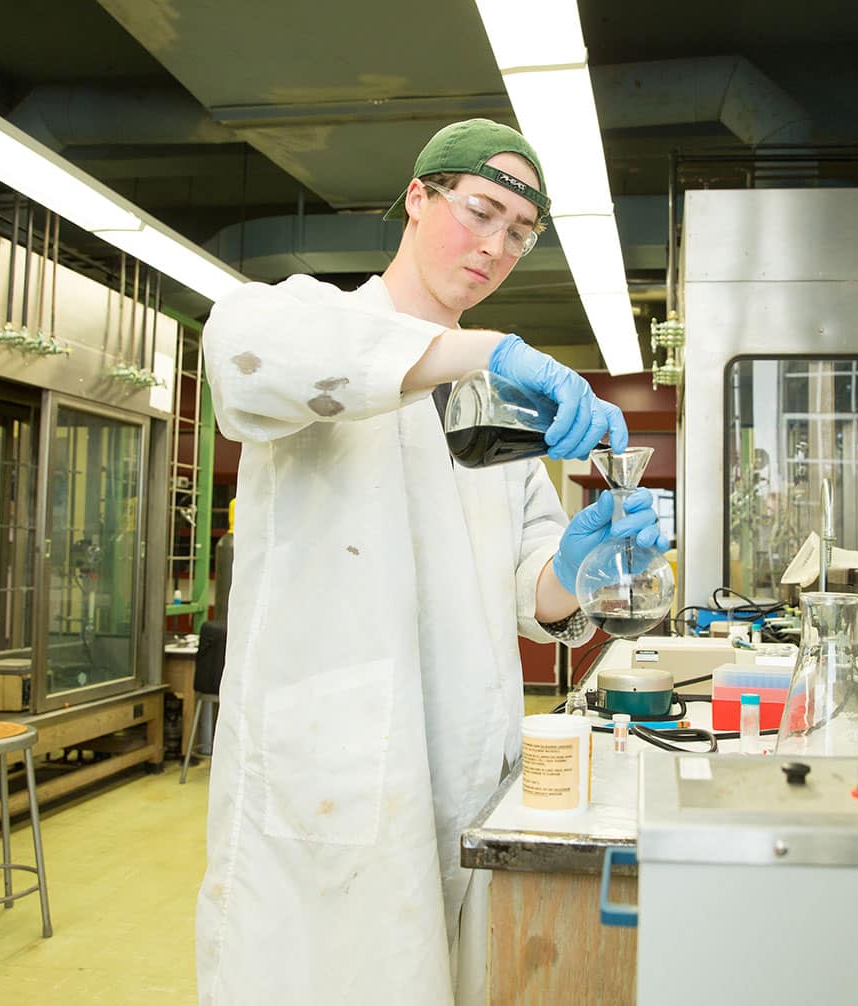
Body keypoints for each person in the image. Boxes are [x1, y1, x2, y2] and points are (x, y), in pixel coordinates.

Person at [195, 118, 666, 1005]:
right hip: (330, 788)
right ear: (418, 198)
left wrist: (585, 559)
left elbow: (535, 593)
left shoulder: (500, 410)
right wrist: (489, 347)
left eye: (519, 234)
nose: (495, 248)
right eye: (481, 212)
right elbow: (243, 362)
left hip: (468, 776)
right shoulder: (316, 321)